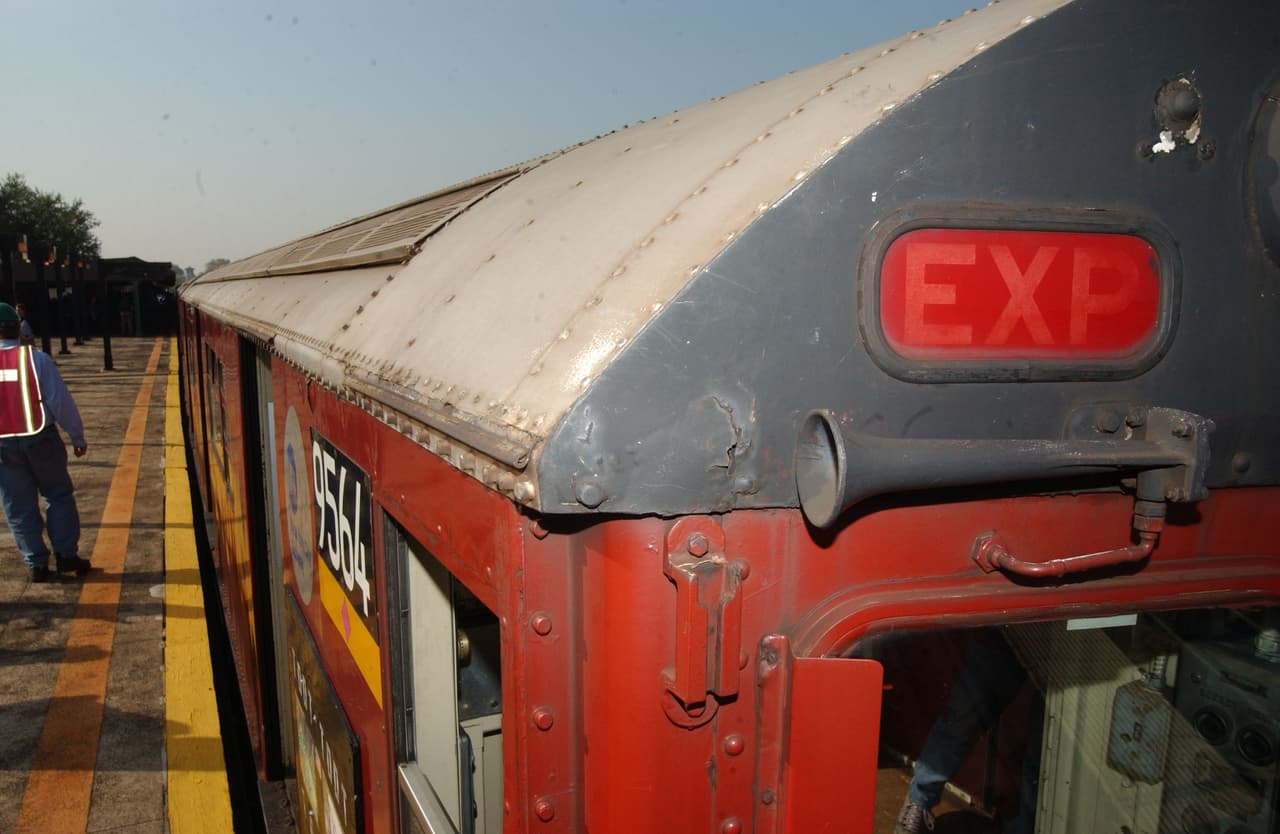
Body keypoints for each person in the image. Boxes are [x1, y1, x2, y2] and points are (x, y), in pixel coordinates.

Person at [894, 629, 1044, 834]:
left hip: (1069, 634)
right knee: (963, 714)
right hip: (1017, 624)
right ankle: (918, 802)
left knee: (1045, 748)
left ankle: (1025, 828)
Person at [0, 303, 89, 582]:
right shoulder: (36, 360)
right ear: (18, 328)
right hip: (40, 438)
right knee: (58, 495)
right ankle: (65, 556)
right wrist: (77, 435)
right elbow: (59, 401)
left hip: (3, 447)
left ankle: (36, 564)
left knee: (17, 505)